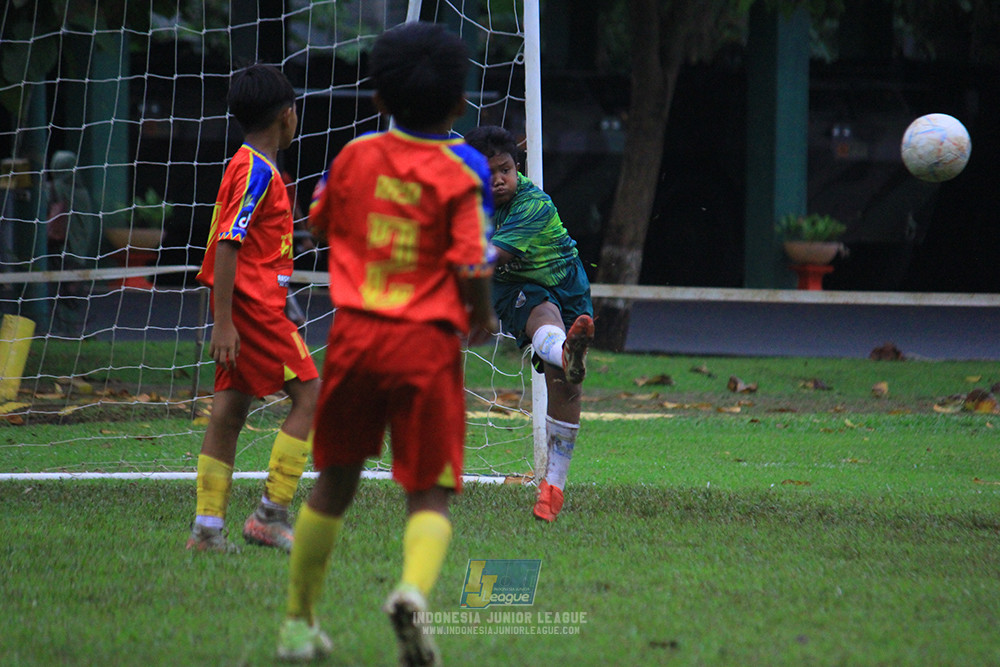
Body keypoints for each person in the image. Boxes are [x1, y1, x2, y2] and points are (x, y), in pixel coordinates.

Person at [275, 21, 497, 665]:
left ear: (377, 100)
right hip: (425, 344)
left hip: (353, 336)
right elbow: (474, 262)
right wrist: (478, 315)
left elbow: (317, 221)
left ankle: (297, 624)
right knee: (430, 490)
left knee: (335, 480)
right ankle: (410, 591)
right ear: (460, 104)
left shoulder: (353, 157)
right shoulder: (466, 167)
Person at [187, 63, 320, 554]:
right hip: (254, 310)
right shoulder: (258, 171)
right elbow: (228, 243)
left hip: (248, 307)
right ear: (287, 115)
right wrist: (224, 323)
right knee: (310, 395)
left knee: (228, 411)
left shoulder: (245, 163)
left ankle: (206, 530)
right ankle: (270, 513)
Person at [463, 125, 594, 523]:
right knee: (543, 317)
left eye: (505, 169)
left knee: (565, 384)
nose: (498, 179)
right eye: (488, 174)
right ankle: (565, 349)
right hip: (518, 286)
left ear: (516, 166)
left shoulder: (532, 204)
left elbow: (484, 255)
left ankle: (553, 487)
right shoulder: (470, 204)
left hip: (569, 285)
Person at [46, 150, 100, 335]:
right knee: (73, 291)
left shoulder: (55, 189)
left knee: (60, 290)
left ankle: (64, 331)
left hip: (62, 247)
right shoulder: (82, 191)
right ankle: (73, 330)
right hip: (80, 250)